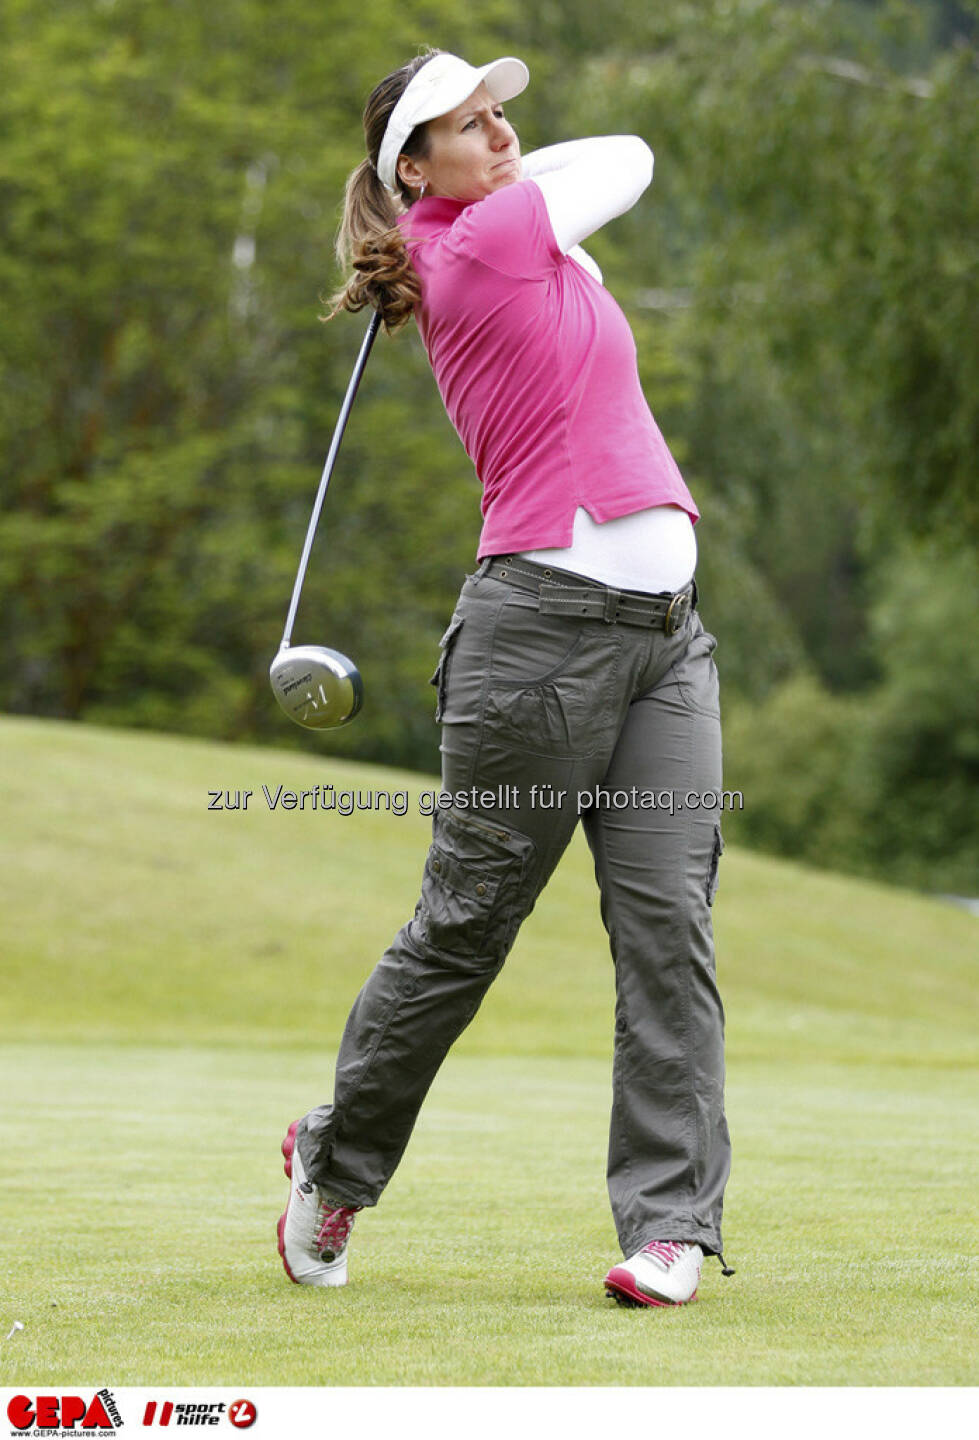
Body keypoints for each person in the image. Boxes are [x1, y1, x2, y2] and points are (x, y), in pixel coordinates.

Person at [277, 49, 734, 1309]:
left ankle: (669, 1227)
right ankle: (335, 1162)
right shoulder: (473, 248)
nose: (500, 131)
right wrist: (459, 190)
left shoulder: (524, 245)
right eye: (462, 124)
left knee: (667, 929)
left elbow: (583, 185)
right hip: (538, 641)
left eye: (500, 111)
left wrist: (476, 159)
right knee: (468, 926)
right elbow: (632, 157)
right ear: (410, 169)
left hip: (667, 643)